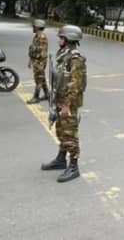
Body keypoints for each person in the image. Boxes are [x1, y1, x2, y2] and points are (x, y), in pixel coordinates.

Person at [41, 25, 87, 183]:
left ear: (68, 39)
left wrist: (67, 105)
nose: (59, 39)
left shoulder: (75, 59)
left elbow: (75, 85)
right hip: (60, 99)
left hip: (69, 102)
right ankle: (61, 159)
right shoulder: (63, 54)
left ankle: (74, 166)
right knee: (61, 131)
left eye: (61, 37)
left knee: (69, 133)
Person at [27, 19, 49, 104]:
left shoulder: (42, 37)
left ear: (37, 27)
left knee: (38, 79)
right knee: (42, 78)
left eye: (33, 26)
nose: (32, 28)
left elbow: (42, 53)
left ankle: (36, 97)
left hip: (40, 62)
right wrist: (30, 60)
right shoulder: (36, 36)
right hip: (36, 61)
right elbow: (32, 49)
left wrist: (40, 65)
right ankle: (47, 94)